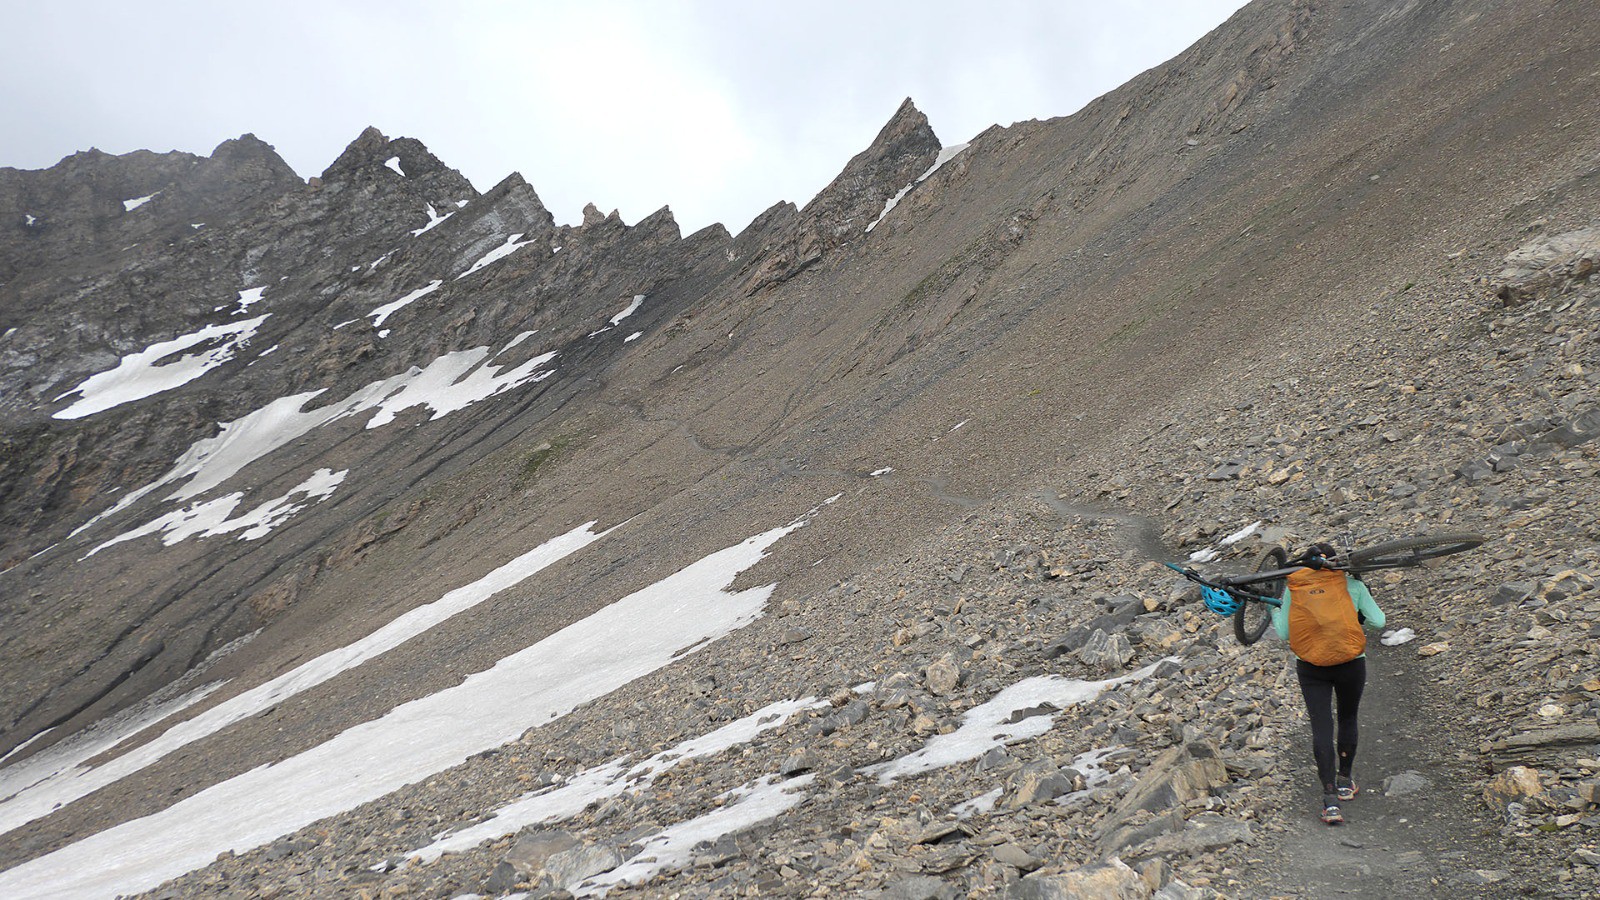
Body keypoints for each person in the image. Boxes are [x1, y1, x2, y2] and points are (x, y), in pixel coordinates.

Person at [1270, 542, 1386, 825]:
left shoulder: (1297, 590)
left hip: (1311, 667)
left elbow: (1285, 632)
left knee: (1321, 726)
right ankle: (1345, 781)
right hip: (1351, 663)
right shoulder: (1351, 585)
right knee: (1347, 717)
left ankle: (1330, 800)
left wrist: (1271, 609)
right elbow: (1379, 622)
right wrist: (1357, 618)